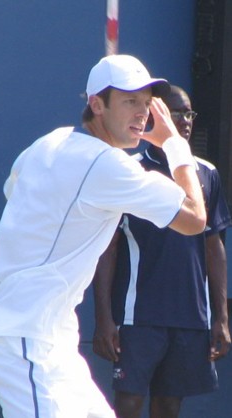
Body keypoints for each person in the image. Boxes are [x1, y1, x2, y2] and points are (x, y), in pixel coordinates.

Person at [0, 55, 206, 418]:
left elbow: (12, 189)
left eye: (146, 103)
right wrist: (173, 144)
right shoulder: (108, 166)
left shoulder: (49, 143)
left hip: (53, 341)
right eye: (130, 101)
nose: (142, 113)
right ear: (97, 104)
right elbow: (193, 218)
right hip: (23, 338)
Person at [92, 85, 232, 418]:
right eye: (176, 113)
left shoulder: (206, 173)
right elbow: (107, 249)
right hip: (137, 315)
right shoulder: (129, 169)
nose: (185, 121)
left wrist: (222, 316)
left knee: (169, 405)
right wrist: (103, 318)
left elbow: (214, 246)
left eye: (189, 113)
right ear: (154, 116)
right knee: (128, 403)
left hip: (190, 316)